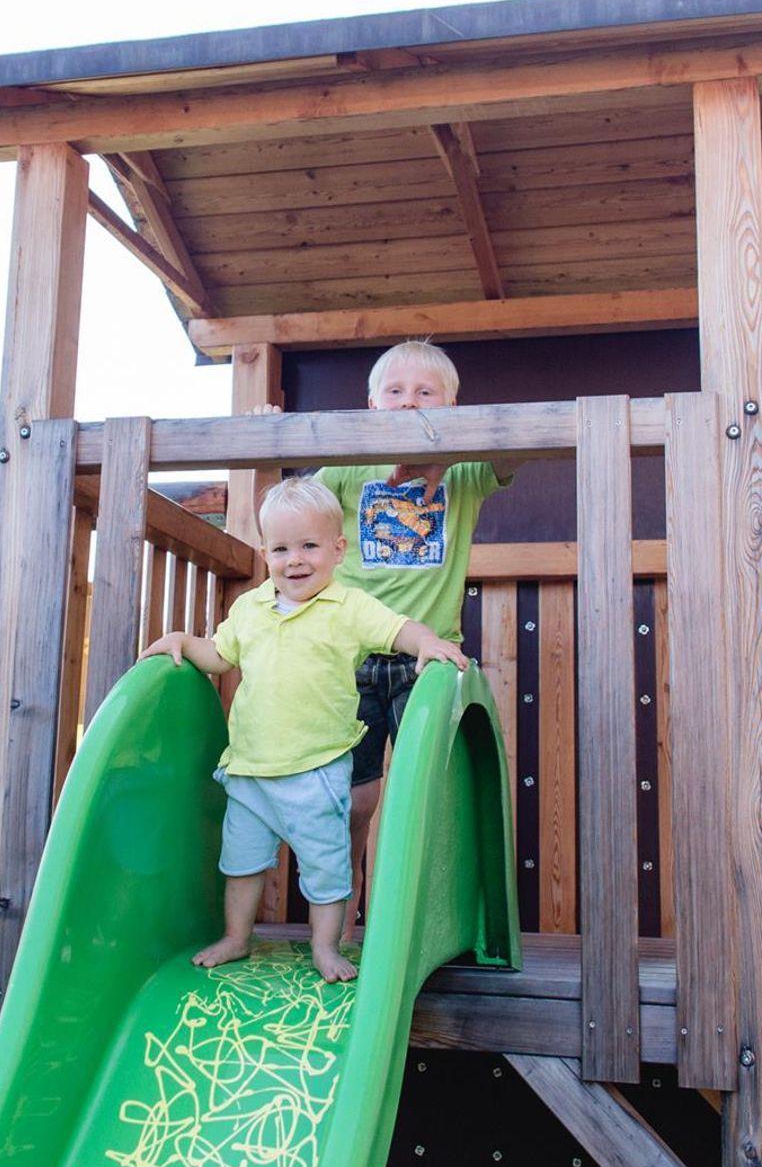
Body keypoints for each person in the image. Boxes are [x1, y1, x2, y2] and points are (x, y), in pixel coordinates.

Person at [142, 475, 468, 982]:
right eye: (281, 549)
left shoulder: (349, 607)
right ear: (265, 554)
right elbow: (220, 655)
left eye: (309, 546)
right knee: (242, 863)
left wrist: (425, 641)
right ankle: (237, 937)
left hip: (317, 769)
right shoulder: (249, 608)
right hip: (250, 770)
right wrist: (183, 641)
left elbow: (398, 630)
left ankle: (325, 947)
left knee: (325, 868)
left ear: (338, 550)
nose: (294, 560)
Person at [317, 340, 517, 915]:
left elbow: (517, 446)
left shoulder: (467, 473)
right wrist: (271, 433)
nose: (409, 403)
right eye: (396, 392)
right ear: (372, 406)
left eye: (425, 393)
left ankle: (415, 917)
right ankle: (343, 917)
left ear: (452, 407)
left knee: (423, 791)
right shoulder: (347, 467)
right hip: (354, 655)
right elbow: (293, 510)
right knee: (355, 802)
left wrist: (447, 454)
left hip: (427, 658)